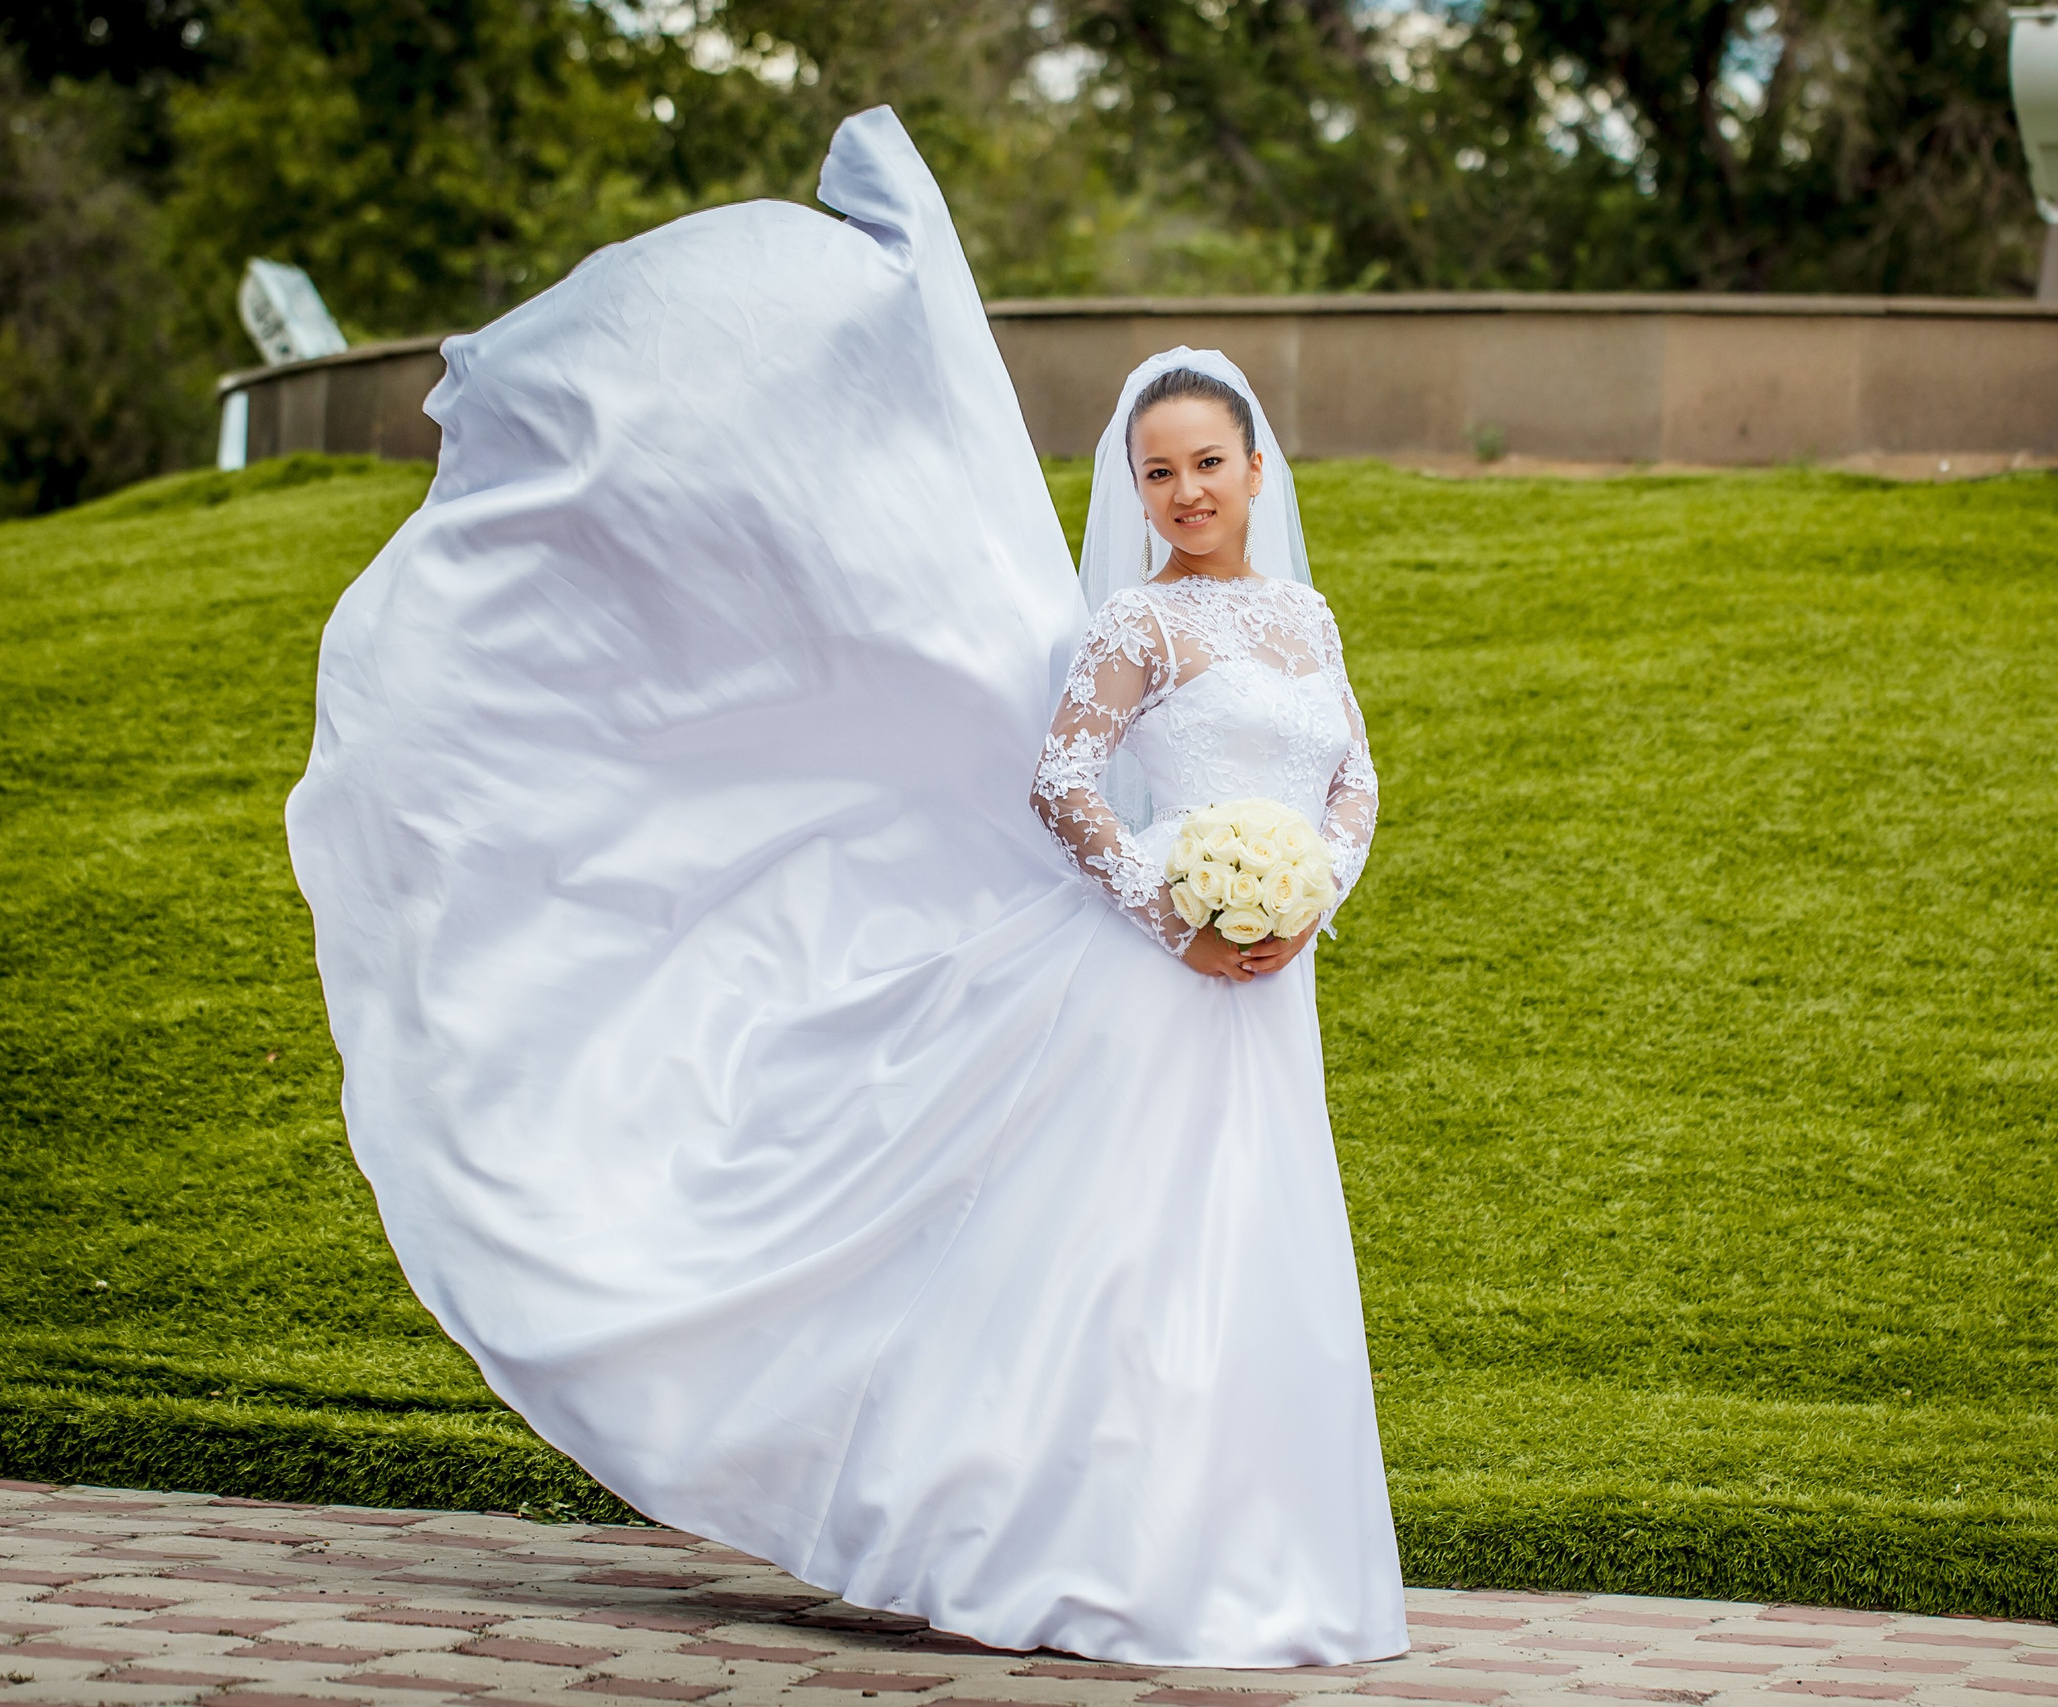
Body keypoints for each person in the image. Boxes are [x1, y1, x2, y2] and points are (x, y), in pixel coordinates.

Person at [284, 106, 1406, 1668]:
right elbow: (1064, 784)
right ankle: (1081, 1545)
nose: (1184, 492)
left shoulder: (1306, 618)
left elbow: (1351, 773)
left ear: (1255, 464)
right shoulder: (1133, 630)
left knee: (1258, 1258)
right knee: (1136, 1266)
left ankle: (1265, 1559)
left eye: (1207, 464)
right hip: (1162, 973)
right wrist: (1176, 905)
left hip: (1269, 979)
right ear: (1136, 487)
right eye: (1158, 472)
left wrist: (1303, 897)